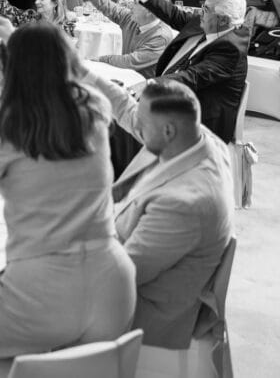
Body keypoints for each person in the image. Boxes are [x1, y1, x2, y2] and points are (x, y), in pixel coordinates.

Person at [0, 22, 135, 363]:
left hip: (41, 290)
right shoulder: (94, 109)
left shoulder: (2, 123)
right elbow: (115, 97)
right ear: (70, 63)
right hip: (114, 280)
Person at [84, 73, 233, 350]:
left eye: (143, 125)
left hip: (141, 314)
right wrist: (79, 71)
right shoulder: (197, 139)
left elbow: (120, 276)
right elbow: (129, 111)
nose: (136, 128)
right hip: (128, 250)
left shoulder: (185, 205)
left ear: (167, 131)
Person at [121, 0, 249, 143]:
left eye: (206, 9)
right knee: (124, 115)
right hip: (179, 101)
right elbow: (175, 15)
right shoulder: (211, 23)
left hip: (200, 121)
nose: (200, 11)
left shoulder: (231, 48)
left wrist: (150, 84)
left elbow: (192, 77)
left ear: (223, 20)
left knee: (126, 129)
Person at [63, 0, 173, 77]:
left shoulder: (161, 37)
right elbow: (106, 4)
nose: (130, 5)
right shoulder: (131, 19)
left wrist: (99, 59)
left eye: (135, 2)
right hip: (127, 77)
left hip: (146, 88)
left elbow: (129, 62)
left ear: (148, 10)